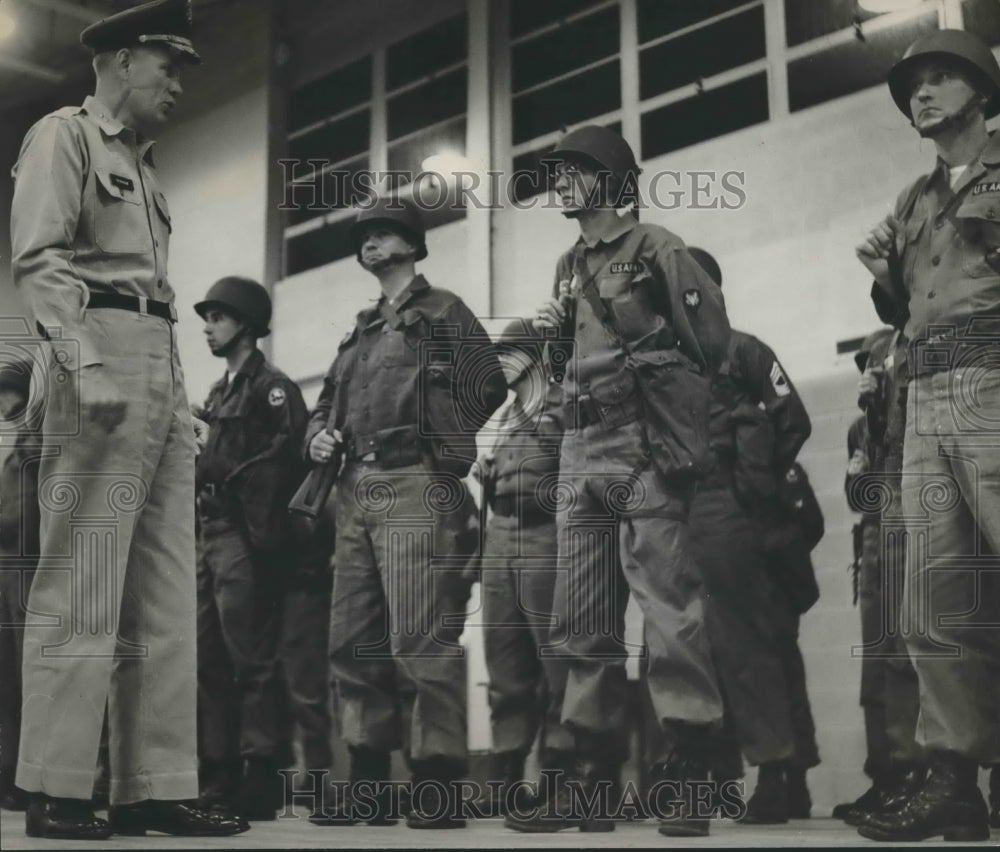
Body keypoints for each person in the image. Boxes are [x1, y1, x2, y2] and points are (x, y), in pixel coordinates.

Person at [10, 0, 245, 839]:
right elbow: (38, 260)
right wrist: (81, 361)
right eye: (166, 64)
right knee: (83, 576)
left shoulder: (146, 173)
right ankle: (58, 790)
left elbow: (156, 295)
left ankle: (154, 784)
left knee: (164, 591)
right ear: (117, 61)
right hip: (95, 355)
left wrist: (176, 400)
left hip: (156, 363)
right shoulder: (62, 137)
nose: (178, 82)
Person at [505, 126, 730, 838]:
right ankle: (590, 779)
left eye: (576, 169)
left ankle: (691, 772)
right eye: (559, 171)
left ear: (614, 178)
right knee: (583, 619)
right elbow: (563, 365)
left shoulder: (657, 247)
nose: (563, 181)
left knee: (668, 609)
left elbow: (713, 347)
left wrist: (668, 414)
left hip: (641, 441)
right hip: (579, 445)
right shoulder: (567, 264)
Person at [306, 195, 506, 829]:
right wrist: (316, 436)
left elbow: (489, 383)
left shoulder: (444, 310)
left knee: (421, 636)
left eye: (385, 232)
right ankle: (368, 779)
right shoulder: (360, 329)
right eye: (363, 236)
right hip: (355, 487)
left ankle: (438, 780)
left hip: (413, 482)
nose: (370, 243)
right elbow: (325, 404)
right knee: (353, 638)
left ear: (414, 244)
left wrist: (440, 444)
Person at [855, 28, 1000, 843]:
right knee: (934, 599)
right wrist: (881, 278)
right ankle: (953, 781)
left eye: (942, 78)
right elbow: (902, 306)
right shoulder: (914, 199)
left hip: (993, 379)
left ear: (981, 89)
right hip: (925, 389)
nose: (923, 93)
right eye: (914, 85)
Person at [682, 247, 816, 824]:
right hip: (685, 510)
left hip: (730, 507)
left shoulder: (743, 351)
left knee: (749, 646)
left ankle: (776, 773)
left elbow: (794, 419)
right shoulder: (664, 364)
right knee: (704, 648)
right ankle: (743, 773)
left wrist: (750, 485)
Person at [194, 277, 308, 820]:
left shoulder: (273, 387)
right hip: (208, 533)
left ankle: (262, 774)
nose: (207, 326)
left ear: (246, 322)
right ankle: (218, 770)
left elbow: (284, 466)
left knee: (251, 659)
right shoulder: (219, 393)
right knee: (208, 658)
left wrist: (259, 535)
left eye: (218, 316)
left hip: (243, 534)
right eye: (208, 316)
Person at [473, 318, 572, 815]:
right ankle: (507, 774)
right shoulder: (510, 412)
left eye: (511, 353)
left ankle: (559, 775)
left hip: (543, 533)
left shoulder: (560, 403)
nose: (501, 362)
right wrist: (490, 470)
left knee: (555, 661)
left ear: (535, 356)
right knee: (504, 659)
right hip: (501, 534)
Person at [836, 328, 926, 828]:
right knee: (875, 667)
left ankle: (915, 770)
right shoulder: (860, 427)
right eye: (866, 368)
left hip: (907, 525)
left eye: (878, 366)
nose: (872, 375)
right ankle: (884, 774)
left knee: (905, 657)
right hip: (873, 540)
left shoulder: (914, 412)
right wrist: (856, 469)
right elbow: (856, 499)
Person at [0, 359, 43, 814]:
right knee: (8, 680)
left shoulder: (40, 442)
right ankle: (10, 772)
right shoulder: (22, 442)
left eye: (5, 392)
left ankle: (27, 775)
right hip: (9, 567)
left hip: (28, 568)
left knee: (27, 676)